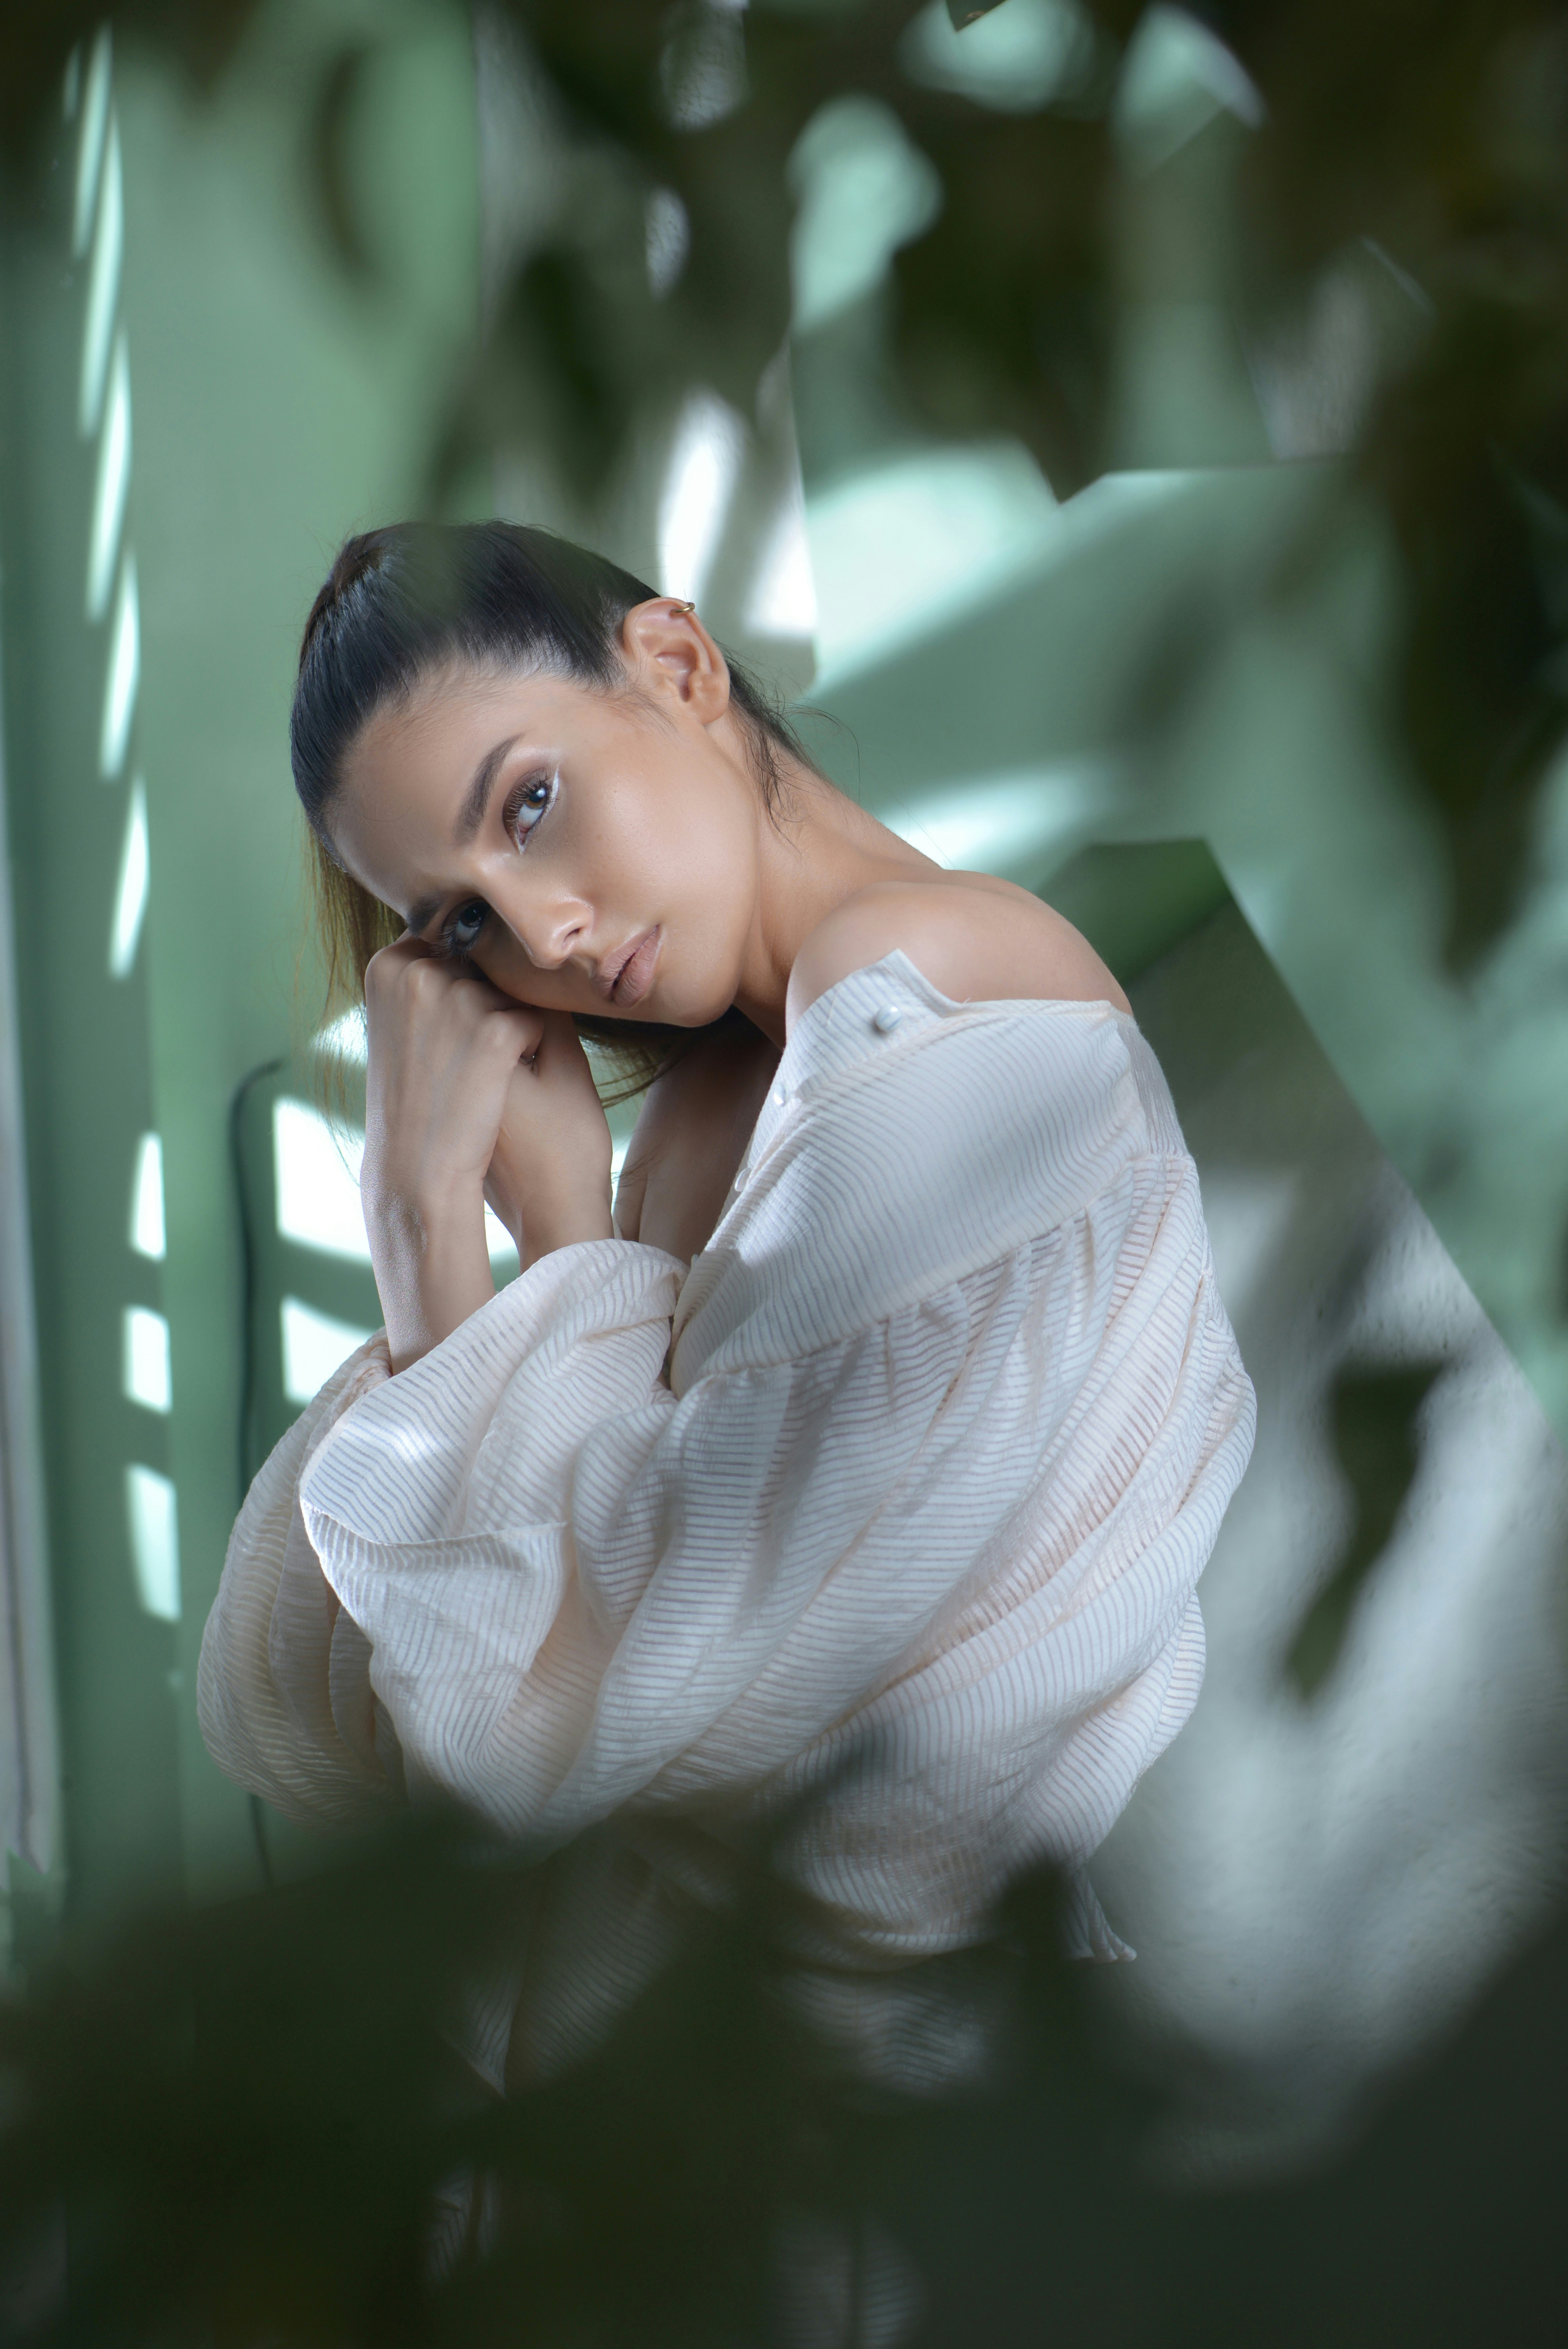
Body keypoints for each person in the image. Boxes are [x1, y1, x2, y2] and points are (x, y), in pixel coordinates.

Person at [198, 520, 1254, 2083]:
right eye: (465, 919)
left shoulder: (932, 991)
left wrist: (437, 1232)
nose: (543, 929)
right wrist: (553, 1246)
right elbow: (302, 1712)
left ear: (678, 666)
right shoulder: (713, 1111)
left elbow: (662, 1746)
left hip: (876, 2132)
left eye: (531, 804)